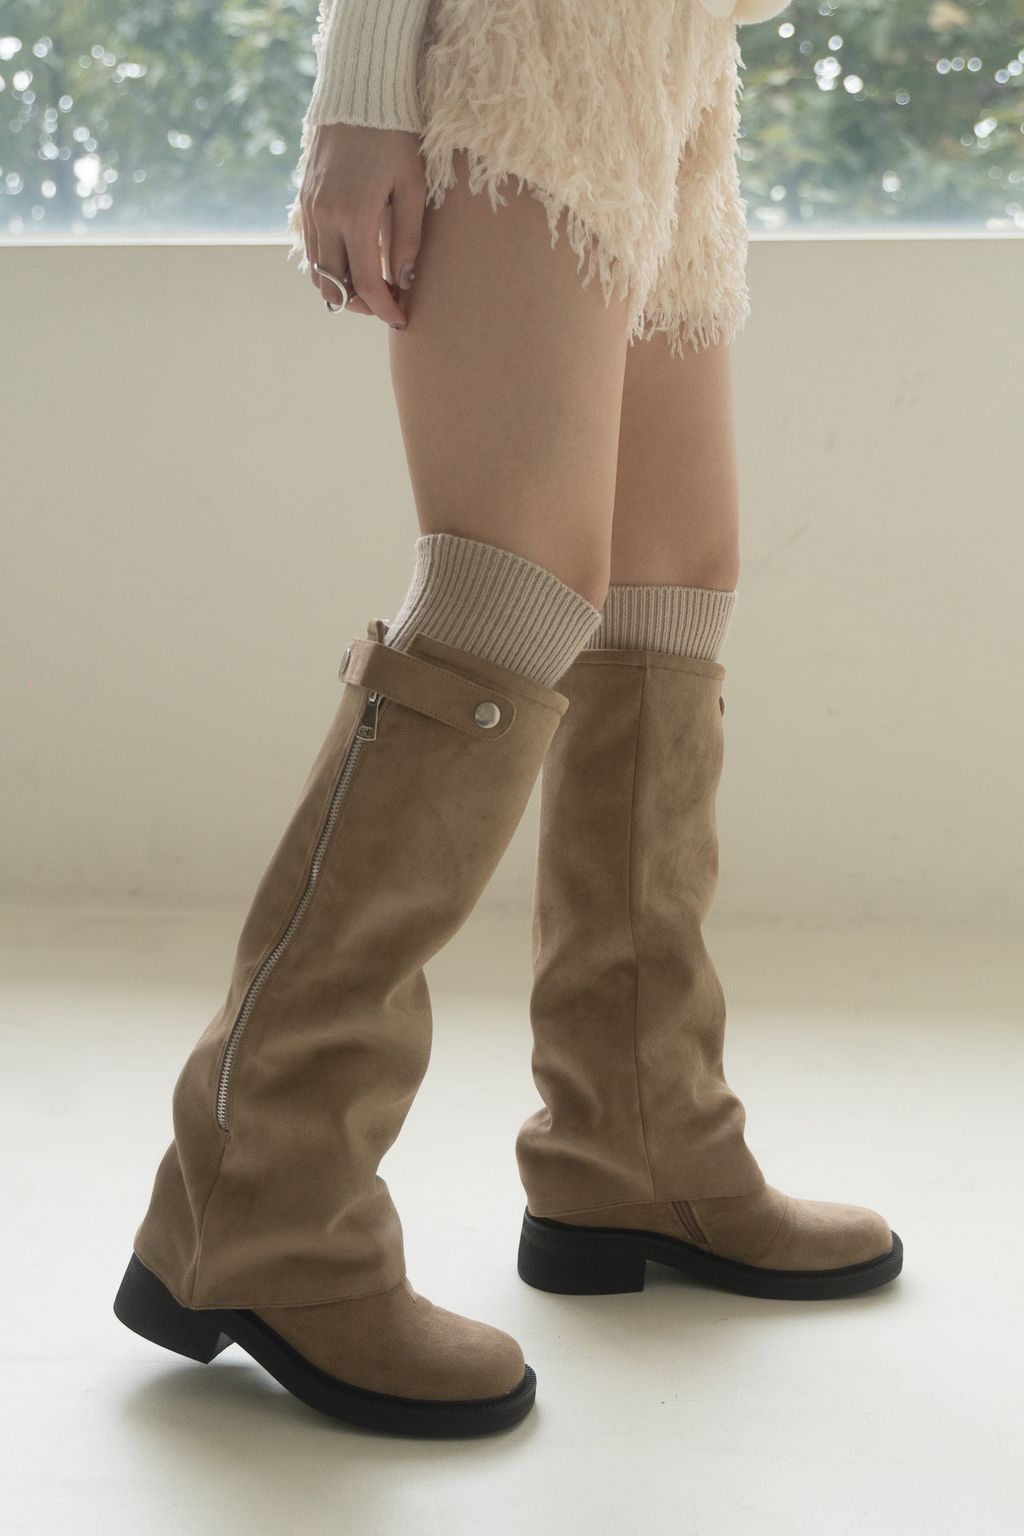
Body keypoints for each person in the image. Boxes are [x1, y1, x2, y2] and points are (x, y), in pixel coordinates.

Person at [113, 0, 902, 1439]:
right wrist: (365, 95)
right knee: (509, 587)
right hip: (517, 47)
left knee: (669, 591)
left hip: (670, 63)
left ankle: (638, 1139)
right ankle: (264, 1204)